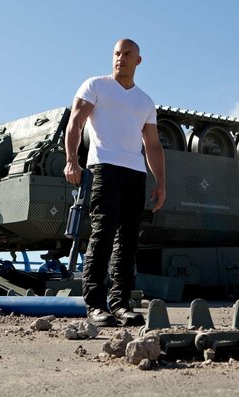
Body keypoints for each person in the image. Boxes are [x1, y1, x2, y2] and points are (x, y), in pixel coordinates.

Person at [64, 38, 166, 327]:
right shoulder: (95, 86)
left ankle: (121, 304)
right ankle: (95, 305)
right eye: (117, 53)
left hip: (135, 173)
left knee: (129, 240)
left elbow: (154, 145)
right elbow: (75, 123)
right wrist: (72, 160)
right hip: (103, 169)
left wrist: (161, 183)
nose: (121, 58)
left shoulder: (145, 101)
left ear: (138, 61)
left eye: (127, 54)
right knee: (103, 233)